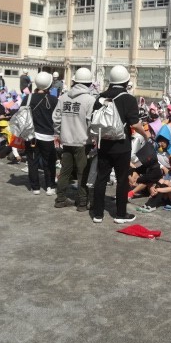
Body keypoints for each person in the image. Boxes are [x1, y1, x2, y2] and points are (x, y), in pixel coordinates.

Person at [92, 65, 147, 224]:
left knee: (101, 178)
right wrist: (146, 134)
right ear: (126, 81)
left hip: (104, 143)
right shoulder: (128, 99)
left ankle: (97, 214)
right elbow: (135, 124)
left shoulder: (100, 97)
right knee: (122, 180)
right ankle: (120, 214)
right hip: (122, 145)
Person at [53, 67, 95, 211]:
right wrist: (93, 138)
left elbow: (56, 119)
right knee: (82, 173)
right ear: (89, 83)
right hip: (83, 142)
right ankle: (82, 203)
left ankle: (60, 199)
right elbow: (91, 123)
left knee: (65, 171)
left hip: (66, 140)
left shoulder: (63, 97)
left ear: (75, 81)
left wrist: (59, 133)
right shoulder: (90, 100)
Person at [22, 72, 58, 196]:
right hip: (48, 136)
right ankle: (50, 186)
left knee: (32, 161)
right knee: (49, 162)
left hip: (31, 135)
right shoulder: (54, 100)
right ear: (49, 85)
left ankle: (35, 187)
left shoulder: (28, 98)